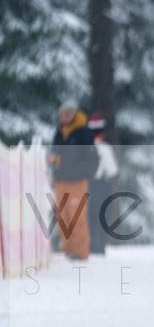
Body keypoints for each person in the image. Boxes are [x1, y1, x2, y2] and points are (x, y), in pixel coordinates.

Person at [48, 101, 99, 261]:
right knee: (62, 218)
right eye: (62, 114)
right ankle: (68, 251)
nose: (64, 117)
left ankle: (80, 252)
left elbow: (93, 159)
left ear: (73, 114)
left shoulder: (83, 132)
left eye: (67, 114)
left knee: (77, 217)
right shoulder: (59, 131)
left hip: (77, 182)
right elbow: (55, 151)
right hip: (60, 180)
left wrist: (77, 171)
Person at [87, 110, 119, 255]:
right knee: (102, 217)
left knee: (89, 217)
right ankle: (99, 248)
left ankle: (89, 246)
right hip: (102, 185)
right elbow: (112, 171)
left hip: (86, 185)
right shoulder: (105, 149)